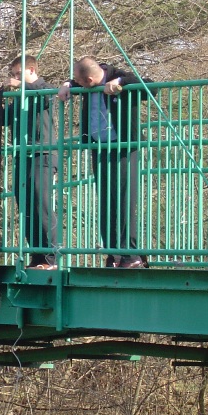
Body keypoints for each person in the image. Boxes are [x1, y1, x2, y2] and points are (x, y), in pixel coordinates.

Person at [57, 57, 152, 268]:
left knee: (124, 200)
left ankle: (130, 255)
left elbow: (151, 87)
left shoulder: (119, 76)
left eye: (79, 83)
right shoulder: (85, 82)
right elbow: (75, 81)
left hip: (123, 147)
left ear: (90, 80)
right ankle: (113, 254)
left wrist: (121, 83)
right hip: (99, 148)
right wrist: (67, 84)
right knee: (106, 201)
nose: (77, 85)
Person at [0, 55, 59, 270]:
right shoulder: (19, 96)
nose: (16, 78)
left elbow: (45, 98)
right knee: (26, 205)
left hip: (42, 154)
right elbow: (3, 118)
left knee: (41, 204)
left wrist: (20, 86)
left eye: (19, 74)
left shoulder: (45, 88)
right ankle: (37, 256)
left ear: (32, 70)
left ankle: (51, 257)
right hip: (22, 155)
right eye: (14, 75)